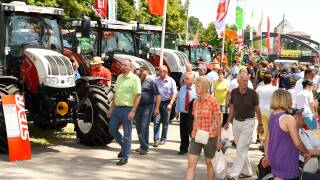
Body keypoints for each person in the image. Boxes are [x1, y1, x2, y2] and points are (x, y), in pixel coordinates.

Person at [262, 89, 311, 180]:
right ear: (287, 100)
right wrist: (306, 152)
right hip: (287, 161)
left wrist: (266, 156)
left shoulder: (272, 117)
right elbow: (297, 143)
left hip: (275, 161)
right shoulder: (288, 118)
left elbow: (266, 140)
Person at [224, 73, 263, 180]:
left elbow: (258, 110)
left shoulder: (253, 93)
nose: (246, 83)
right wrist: (228, 121)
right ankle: (247, 171)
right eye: (244, 81)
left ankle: (233, 175)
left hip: (248, 123)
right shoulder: (234, 92)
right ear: (238, 81)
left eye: (247, 81)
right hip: (236, 122)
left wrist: (260, 124)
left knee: (241, 148)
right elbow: (232, 108)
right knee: (242, 148)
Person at [186, 76, 221, 180]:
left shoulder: (213, 101)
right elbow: (195, 120)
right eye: (195, 85)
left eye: (198, 86)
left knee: (209, 164)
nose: (195, 87)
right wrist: (193, 132)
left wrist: (218, 139)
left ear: (205, 88)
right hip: (196, 135)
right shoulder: (195, 102)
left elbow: (218, 122)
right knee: (190, 164)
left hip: (210, 137)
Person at [107, 60, 141, 166]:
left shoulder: (135, 79)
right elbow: (116, 93)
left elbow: (138, 95)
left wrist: (133, 111)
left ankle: (125, 157)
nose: (122, 66)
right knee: (112, 130)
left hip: (128, 109)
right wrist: (111, 108)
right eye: (122, 65)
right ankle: (125, 147)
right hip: (117, 108)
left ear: (130, 67)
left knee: (127, 134)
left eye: (125, 65)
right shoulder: (119, 77)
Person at [135, 66, 160, 155]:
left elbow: (158, 95)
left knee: (144, 126)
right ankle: (142, 145)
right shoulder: (138, 81)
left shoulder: (151, 81)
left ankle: (145, 147)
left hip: (148, 106)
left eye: (142, 71)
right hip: (138, 106)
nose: (140, 72)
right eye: (140, 71)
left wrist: (156, 108)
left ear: (146, 71)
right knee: (138, 126)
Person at [153, 65, 177, 147]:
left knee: (165, 122)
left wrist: (171, 103)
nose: (159, 73)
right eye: (159, 71)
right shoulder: (155, 80)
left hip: (167, 103)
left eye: (160, 71)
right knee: (156, 121)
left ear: (165, 72)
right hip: (157, 104)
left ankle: (163, 138)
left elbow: (174, 93)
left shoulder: (171, 81)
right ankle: (156, 139)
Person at [175, 73, 197, 154]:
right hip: (183, 114)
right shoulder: (182, 89)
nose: (185, 80)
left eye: (187, 79)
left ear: (193, 80)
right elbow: (178, 100)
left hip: (193, 115)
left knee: (192, 132)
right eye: (185, 79)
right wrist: (177, 111)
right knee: (183, 131)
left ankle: (194, 149)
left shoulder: (196, 89)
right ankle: (183, 149)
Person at [256, 72, 278, 145]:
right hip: (271, 109)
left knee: (262, 125)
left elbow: (256, 99)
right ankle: (269, 141)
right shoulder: (275, 88)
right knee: (270, 126)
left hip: (261, 109)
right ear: (271, 80)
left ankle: (262, 142)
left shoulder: (259, 88)